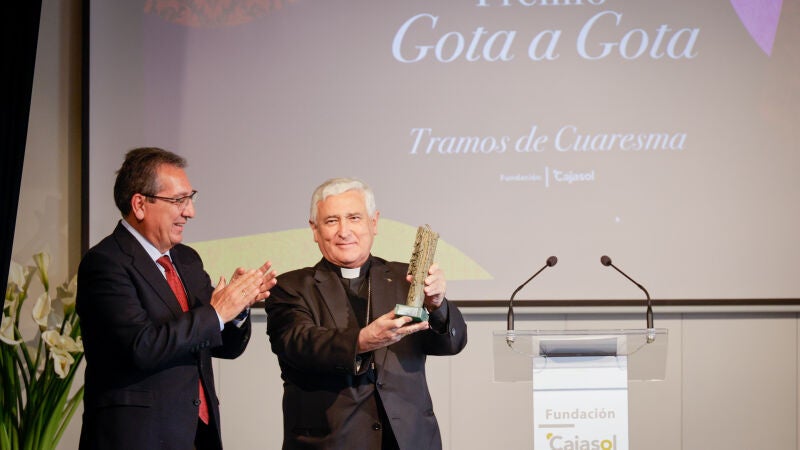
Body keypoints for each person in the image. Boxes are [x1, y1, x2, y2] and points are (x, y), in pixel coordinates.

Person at [76, 147, 277, 449]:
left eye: (190, 198)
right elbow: (141, 347)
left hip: (197, 434)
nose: (190, 211)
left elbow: (222, 346)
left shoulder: (188, 260)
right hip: (137, 436)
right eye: (178, 200)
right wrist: (217, 313)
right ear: (140, 204)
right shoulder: (105, 263)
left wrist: (236, 311)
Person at [266, 177, 468, 449]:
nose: (344, 231)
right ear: (314, 230)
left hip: (409, 439)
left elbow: (451, 343)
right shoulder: (291, 287)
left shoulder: (405, 279)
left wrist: (438, 305)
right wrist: (361, 341)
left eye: (354, 218)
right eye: (331, 221)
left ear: (374, 223)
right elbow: (299, 345)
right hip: (332, 441)